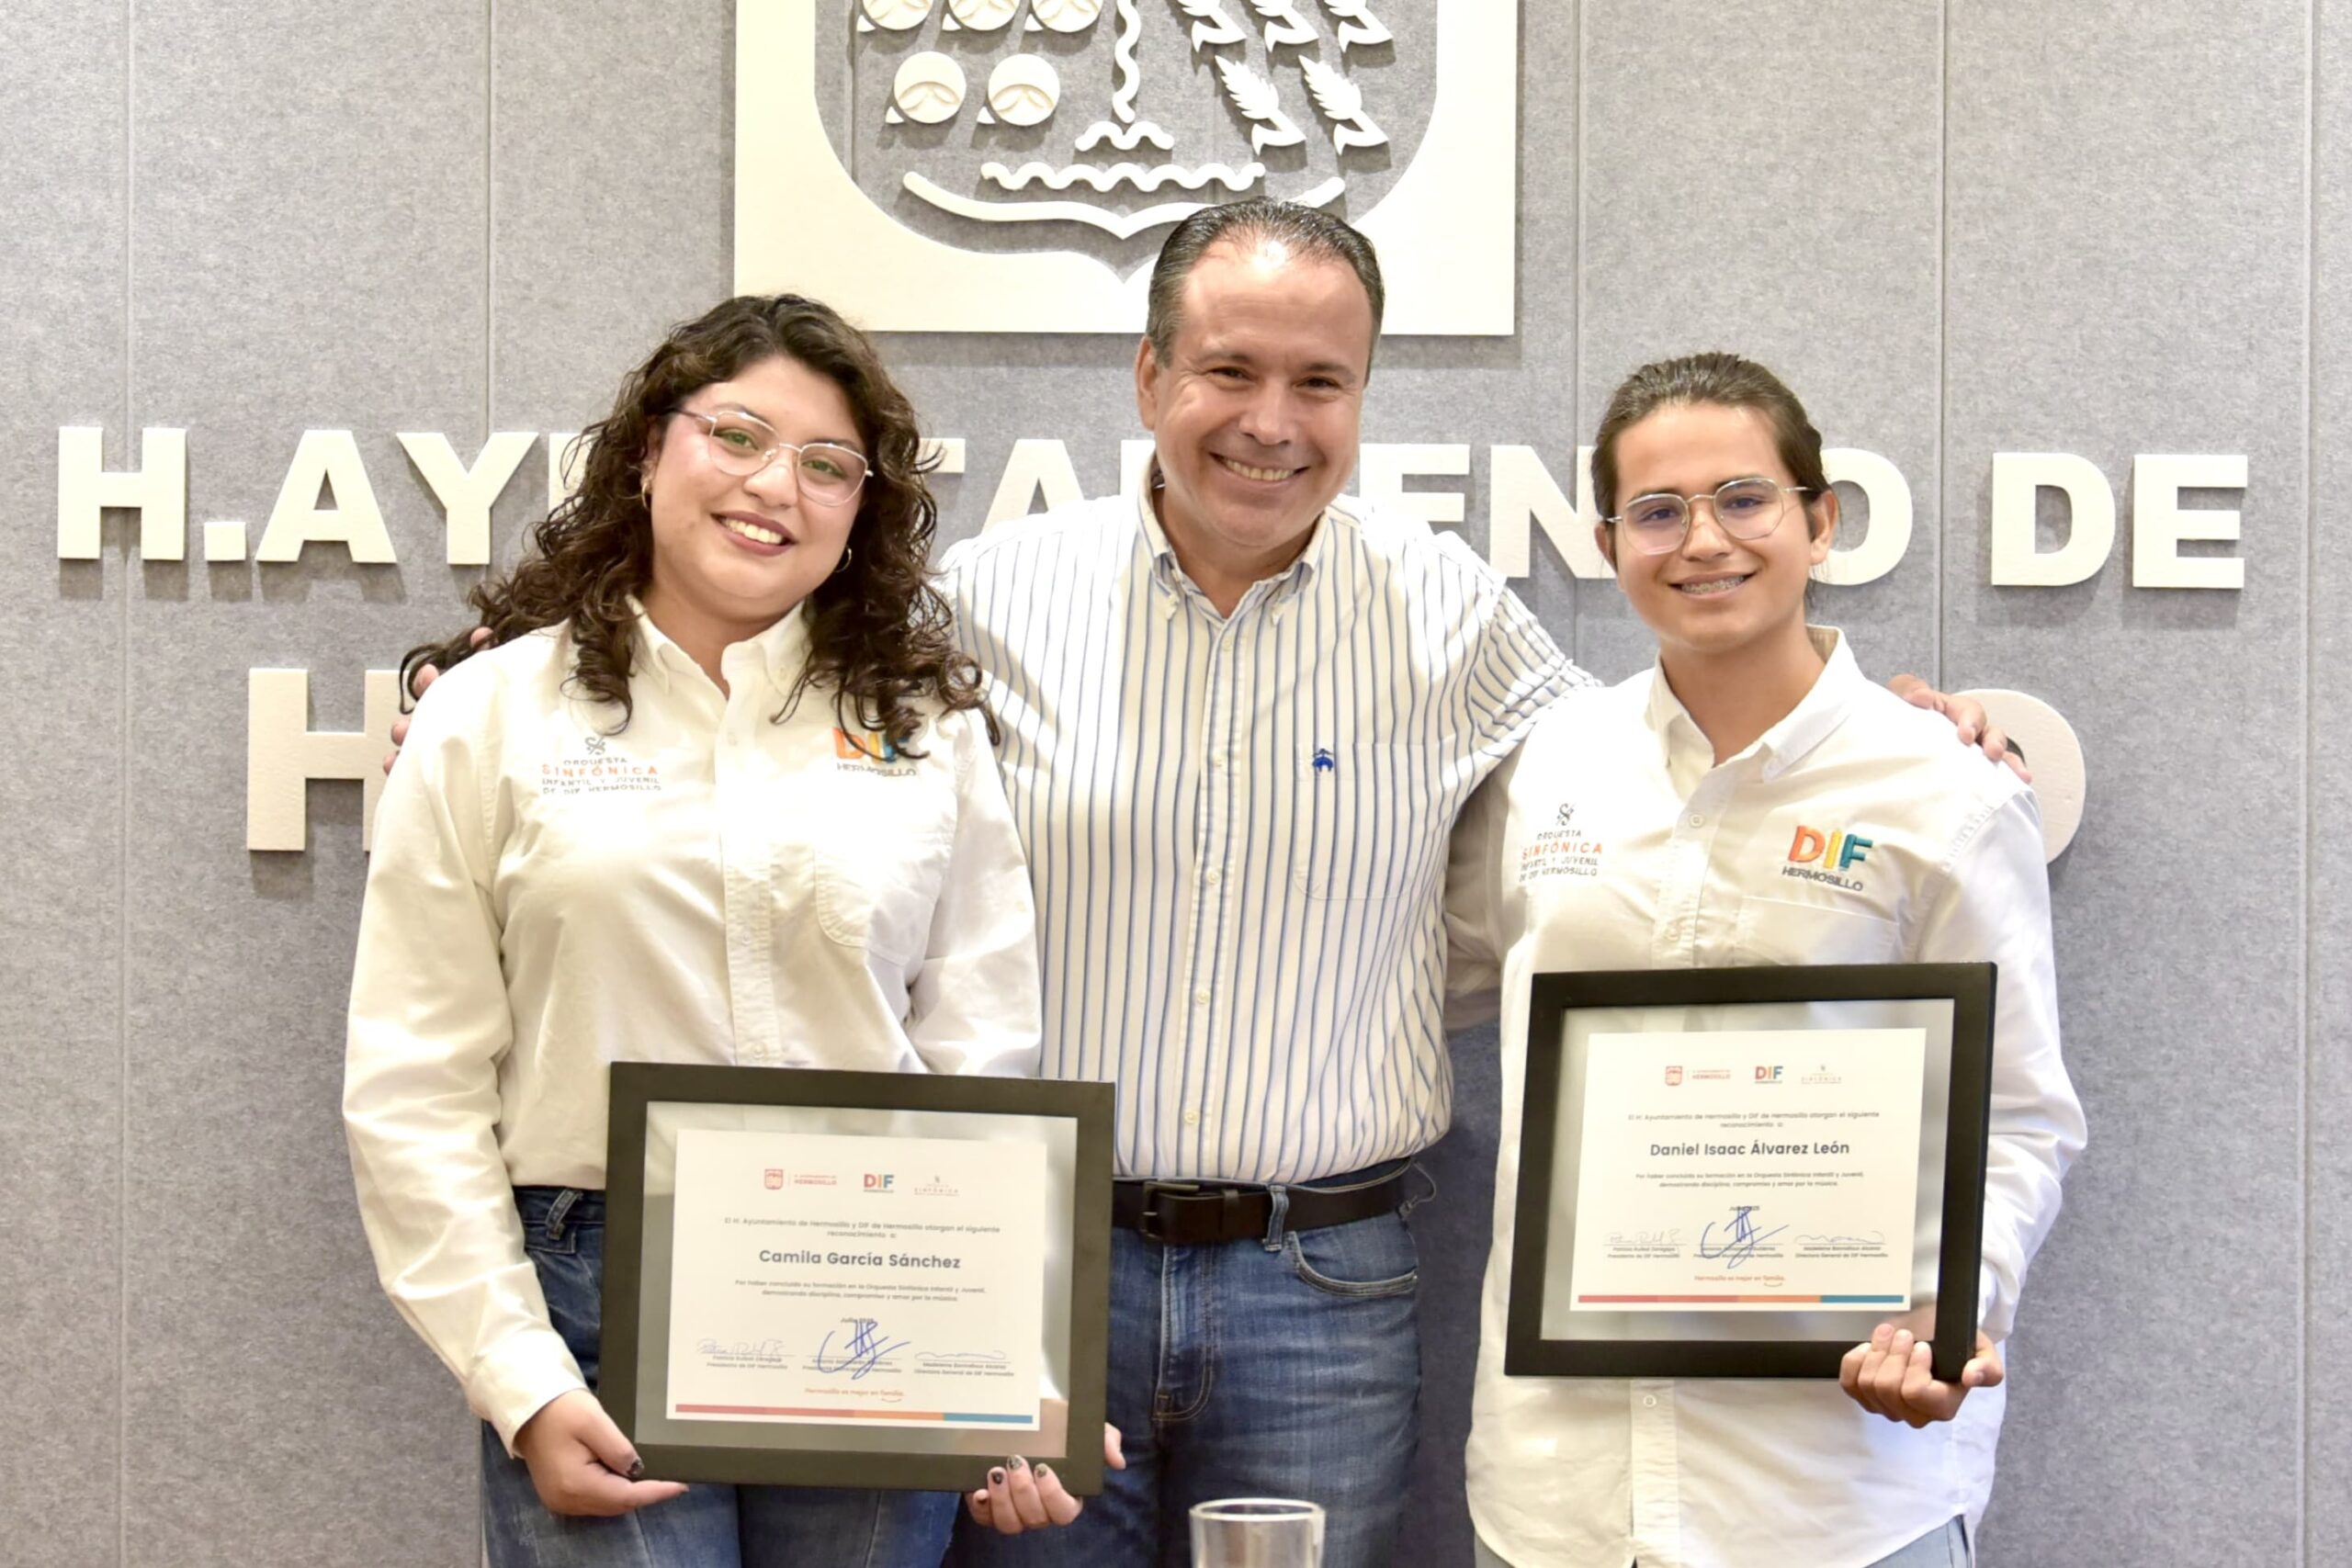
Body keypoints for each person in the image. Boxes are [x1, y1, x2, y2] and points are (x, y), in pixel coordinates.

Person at [392, 208, 2010, 1568]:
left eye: (1322, 380)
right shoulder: (984, 607)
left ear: (1364, 399)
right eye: (1229, 368)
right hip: (1042, 1271)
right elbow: (754, 671)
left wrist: (1882, 722)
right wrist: (506, 684)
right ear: (1149, 374)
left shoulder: (1445, 610)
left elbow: (1650, 753)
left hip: (1330, 1280)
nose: (1271, 417)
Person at [344, 293, 1099, 1568]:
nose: (774, 488)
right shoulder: (489, 715)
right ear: (649, 451)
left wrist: (1003, 1358)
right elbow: (414, 1085)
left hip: (877, 1295)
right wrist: (518, 1377)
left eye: (825, 464)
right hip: (591, 1300)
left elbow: (981, 1050)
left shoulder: (924, 726)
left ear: (864, 510)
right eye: (736, 436)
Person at [1442, 352, 2086, 1568]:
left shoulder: (1940, 788)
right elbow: (1421, 975)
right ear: (1608, 539)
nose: (1704, 542)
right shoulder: (1548, 769)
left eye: (1744, 499)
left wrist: (1948, 1306)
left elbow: (2021, 1114)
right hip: (1561, 1497)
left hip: (1838, 1490)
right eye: (1658, 510)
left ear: (1820, 518)